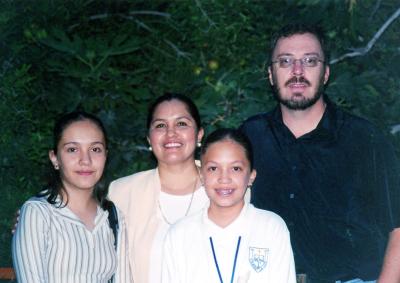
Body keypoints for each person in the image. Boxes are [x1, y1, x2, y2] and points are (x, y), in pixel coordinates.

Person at [240, 23, 400, 283]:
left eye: (310, 61)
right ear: (271, 74)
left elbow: (398, 224)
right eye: (285, 61)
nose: (297, 71)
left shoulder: (365, 139)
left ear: (325, 73)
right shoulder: (249, 137)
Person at [162, 128, 296, 283]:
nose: (224, 178)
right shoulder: (180, 234)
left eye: (236, 168)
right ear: (201, 175)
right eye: (213, 168)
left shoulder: (271, 227)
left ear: (251, 176)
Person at [12, 111, 132, 283]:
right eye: (72, 149)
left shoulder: (113, 216)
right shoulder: (37, 213)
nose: (85, 160)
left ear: (106, 155)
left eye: (95, 149)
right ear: (55, 158)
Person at [108, 93, 211, 283]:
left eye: (181, 123)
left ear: (199, 134)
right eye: (160, 125)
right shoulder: (122, 193)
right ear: (149, 139)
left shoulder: (229, 187)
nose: (171, 133)